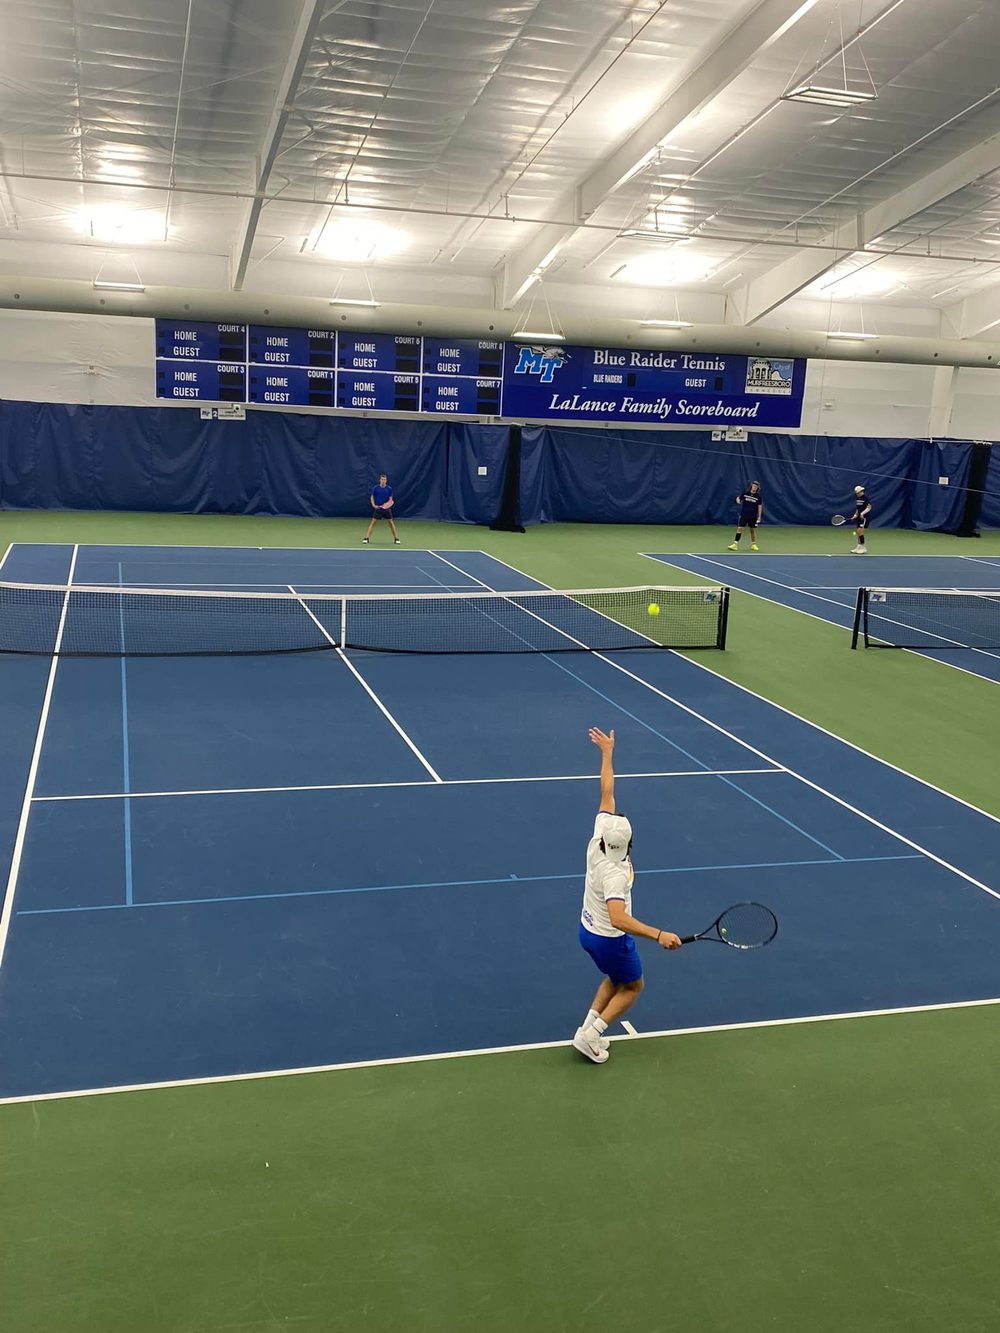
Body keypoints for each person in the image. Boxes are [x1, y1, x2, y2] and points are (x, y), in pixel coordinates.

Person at [573, 727, 681, 1064]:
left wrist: (607, 752)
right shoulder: (616, 874)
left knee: (615, 977)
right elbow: (619, 918)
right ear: (630, 843)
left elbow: (607, 791)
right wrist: (659, 934)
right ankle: (593, 1036)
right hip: (609, 937)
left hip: (586, 930)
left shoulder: (597, 839)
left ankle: (585, 1029)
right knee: (633, 986)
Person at [363, 473, 400, 545]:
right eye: (382, 479)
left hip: (387, 510)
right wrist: (374, 505)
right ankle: (366, 538)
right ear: (380, 480)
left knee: (391, 523)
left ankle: (396, 538)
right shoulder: (375, 488)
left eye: (385, 480)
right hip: (378, 509)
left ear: (386, 481)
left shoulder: (389, 489)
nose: (383, 481)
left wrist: (386, 505)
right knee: (373, 523)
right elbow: (372, 497)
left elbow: (391, 499)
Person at [728, 480, 763, 551]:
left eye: (756, 486)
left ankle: (753, 544)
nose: (754, 487)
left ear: (757, 488)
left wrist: (759, 517)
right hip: (744, 515)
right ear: (751, 486)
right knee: (740, 528)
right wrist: (738, 500)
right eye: (753, 486)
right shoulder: (745, 493)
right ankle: (735, 544)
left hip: (752, 516)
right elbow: (739, 498)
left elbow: (759, 507)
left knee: (752, 530)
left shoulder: (758, 497)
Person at [851, 484, 872, 554]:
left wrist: (862, 513)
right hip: (859, 518)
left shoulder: (866, 498)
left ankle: (863, 548)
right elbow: (858, 508)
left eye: (857, 493)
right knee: (857, 531)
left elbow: (869, 507)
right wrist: (855, 514)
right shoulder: (858, 498)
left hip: (864, 518)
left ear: (861, 492)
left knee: (860, 531)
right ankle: (858, 547)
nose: (856, 494)